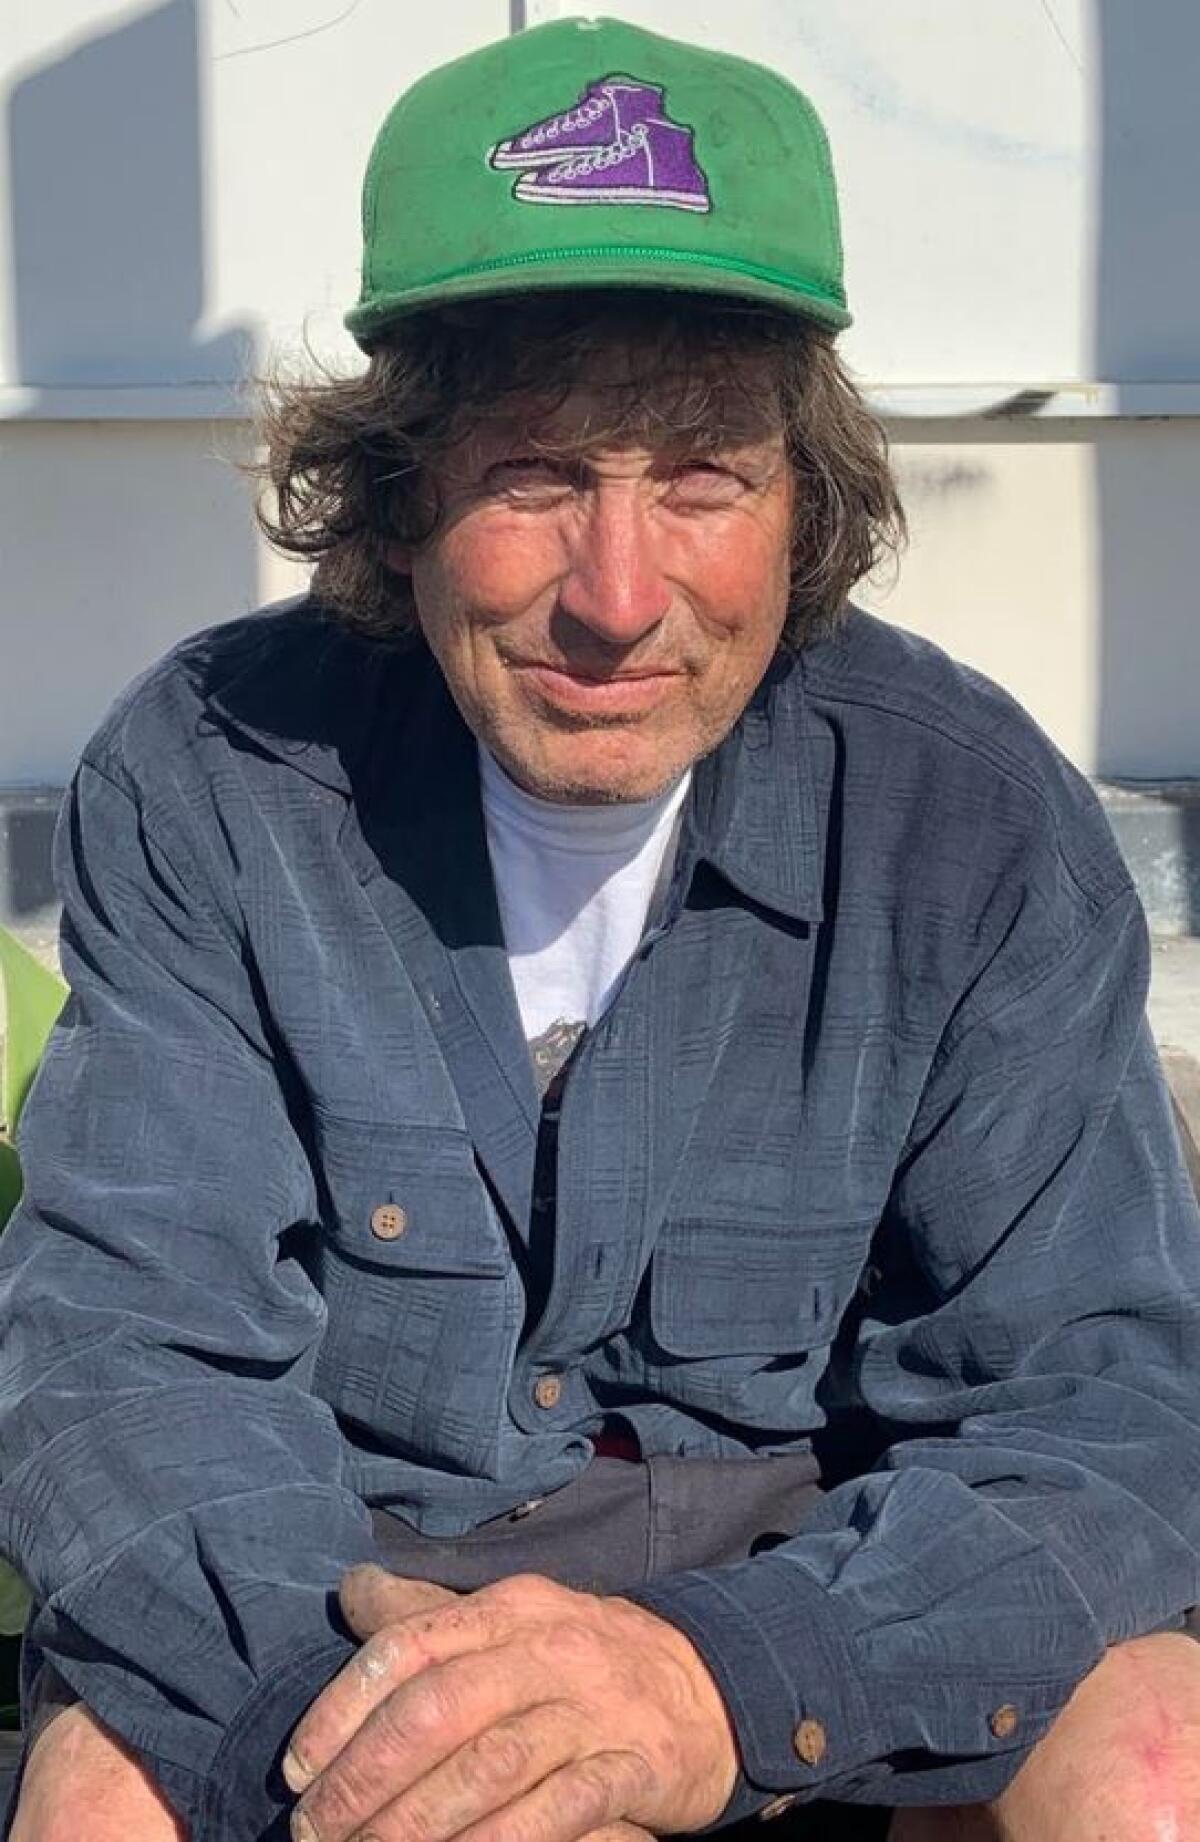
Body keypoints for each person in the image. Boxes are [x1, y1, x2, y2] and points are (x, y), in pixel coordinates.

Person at [2, 16, 1199, 1842]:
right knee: (98, 1791)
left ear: (807, 511)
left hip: (817, 1587)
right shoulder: (212, 777)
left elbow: (1099, 1406)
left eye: (705, 476)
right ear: (399, 501)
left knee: (1163, 1751)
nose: (618, 597)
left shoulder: (972, 822)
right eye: (539, 474)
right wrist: (390, 1740)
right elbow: (124, 1353)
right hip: (344, 1593)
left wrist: (732, 1680)